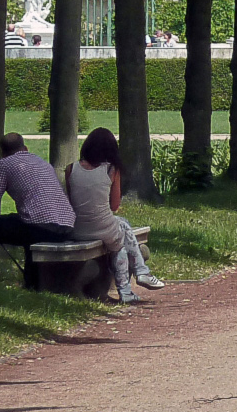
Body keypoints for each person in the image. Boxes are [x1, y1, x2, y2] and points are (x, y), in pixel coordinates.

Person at [0, 133, 76, 281]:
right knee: (24, 222)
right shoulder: (42, 162)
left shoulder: (4, 164)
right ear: (25, 148)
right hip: (67, 226)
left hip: (39, 228)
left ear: (3, 153)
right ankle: (32, 283)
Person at [64, 127, 164, 302]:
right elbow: (115, 205)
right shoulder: (111, 169)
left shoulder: (71, 169)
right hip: (103, 228)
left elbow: (73, 201)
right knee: (120, 240)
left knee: (121, 224)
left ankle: (140, 275)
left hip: (77, 228)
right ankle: (130, 285)